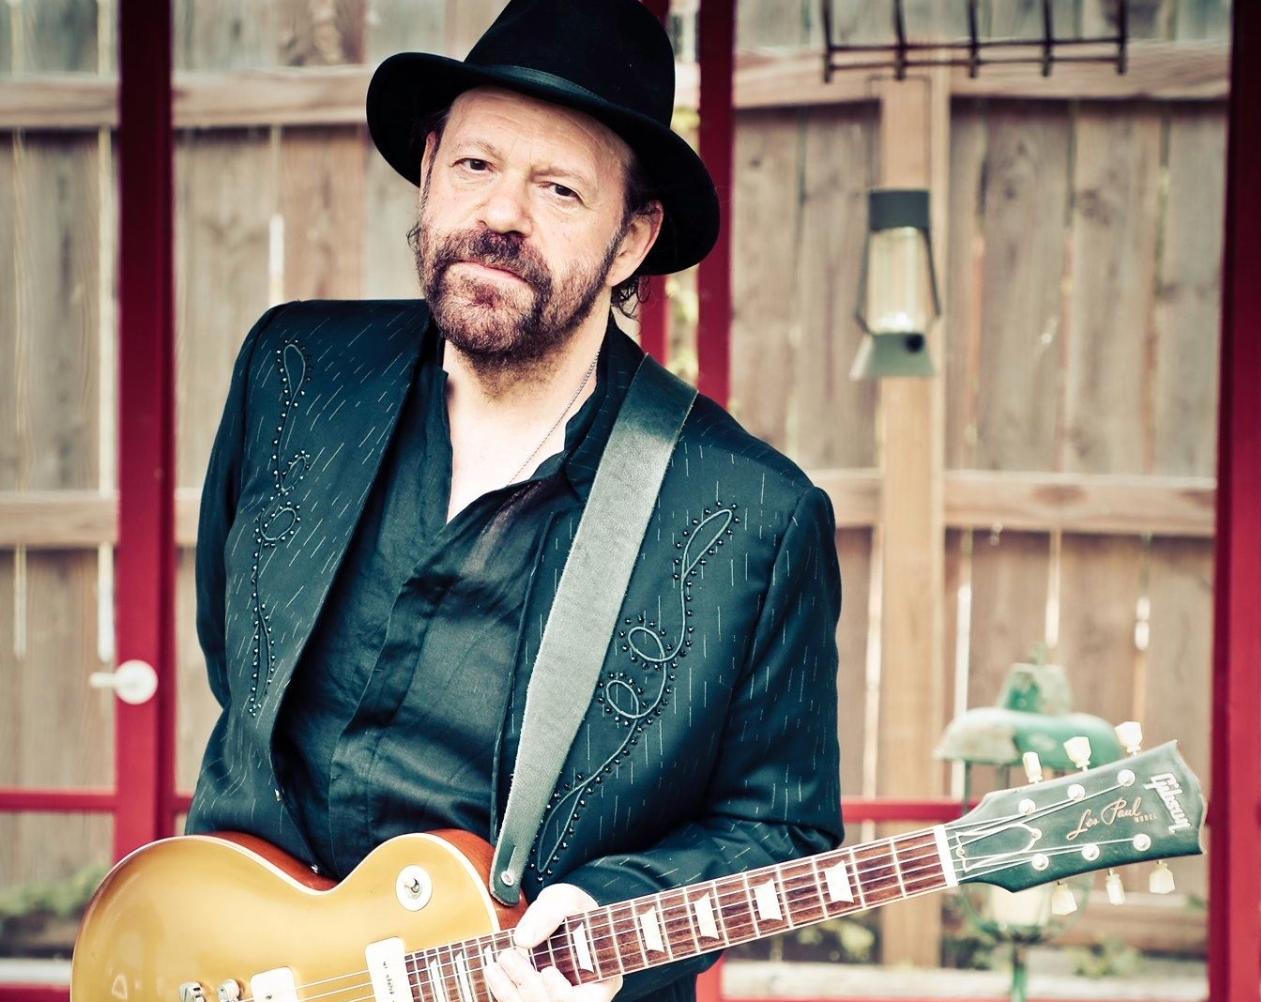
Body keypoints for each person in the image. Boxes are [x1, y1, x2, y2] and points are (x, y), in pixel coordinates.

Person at [187, 2, 843, 1002]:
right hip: (227, 965)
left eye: (558, 188)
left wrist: (611, 905)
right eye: (475, 164)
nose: (500, 215)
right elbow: (235, 653)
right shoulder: (296, 373)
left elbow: (780, 824)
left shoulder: (750, 513)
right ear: (429, 164)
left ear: (631, 238)